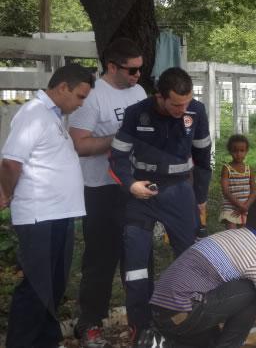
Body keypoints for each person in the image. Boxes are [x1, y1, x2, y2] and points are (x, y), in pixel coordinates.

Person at [109, 67, 212, 338]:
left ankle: (192, 322)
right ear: (160, 96)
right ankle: (141, 328)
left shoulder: (197, 112)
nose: (183, 108)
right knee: (136, 264)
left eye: (187, 102)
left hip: (179, 193)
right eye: (177, 104)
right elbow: (117, 157)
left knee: (192, 258)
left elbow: (203, 158)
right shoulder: (136, 113)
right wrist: (130, 184)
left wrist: (200, 199)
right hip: (141, 193)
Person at [0, 64, 95, 348]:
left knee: (53, 288)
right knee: (36, 288)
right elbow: (10, 162)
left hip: (58, 215)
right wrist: (6, 193)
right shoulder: (33, 114)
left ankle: (46, 341)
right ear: (62, 87)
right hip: (39, 216)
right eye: (80, 96)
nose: (81, 104)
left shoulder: (52, 117)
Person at [69, 38, 146, 347]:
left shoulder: (138, 92)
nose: (138, 77)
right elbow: (80, 145)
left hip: (134, 188)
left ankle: (140, 322)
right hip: (101, 190)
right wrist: (119, 140)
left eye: (141, 70)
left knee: (138, 258)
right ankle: (90, 324)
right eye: (132, 71)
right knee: (101, 260)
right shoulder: (92, 98)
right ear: (112, 66)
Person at [149, 195, 256, 348]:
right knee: (255, 289)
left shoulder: (227, 236)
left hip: (161, 311)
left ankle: (164, 342)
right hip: (182, 313)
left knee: (212, 341)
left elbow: (243, 302)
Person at [220, 134, 256, 229]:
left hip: (245, 207)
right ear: (230, 151)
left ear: (246, 151)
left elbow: (253, 191)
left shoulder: (249, 169)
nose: (238, 154)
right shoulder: (226, 168)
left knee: (243, 235)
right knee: (232, 235)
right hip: (231, 208)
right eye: (235, 151)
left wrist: (245, 206)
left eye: (242, 151)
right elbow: (225, 191)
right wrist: (240, 205)